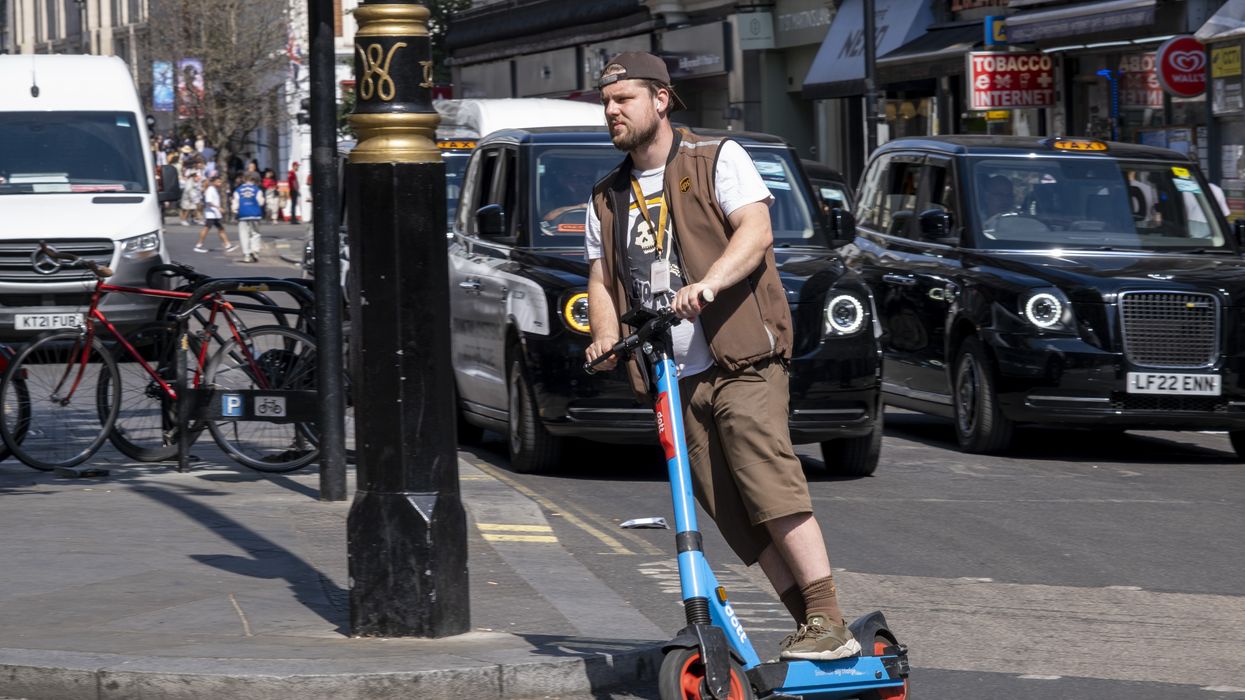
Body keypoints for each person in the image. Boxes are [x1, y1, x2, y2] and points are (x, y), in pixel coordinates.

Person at [582, 52, 860, 661]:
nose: (611, 111)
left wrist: (708, 284)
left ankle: (830, 618)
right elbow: (602, 279)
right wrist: (603, 338)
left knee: (767, 480)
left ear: (660, 99)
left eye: (623, 98)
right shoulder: (607, 196)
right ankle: (810, 626)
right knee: (729, 512)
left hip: (741, 358)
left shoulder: (716, 160)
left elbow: (755, 232)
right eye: (605, 102)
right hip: (672, 374)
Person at [194, 176, 237, 254]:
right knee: (206, 229)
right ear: (213, 182)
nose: (219, 183)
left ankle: (228, 245)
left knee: (221, 229)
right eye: (218, 182)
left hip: (214, 214)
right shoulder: (210, 190)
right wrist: (218, 208)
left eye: (220, 182)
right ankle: (198, 245)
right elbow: (209, 201)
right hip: (211, 214)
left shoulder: (214, 189)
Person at [233, 172, 266, 263]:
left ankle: (246, 255)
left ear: (244, 179)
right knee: (255, 233)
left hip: (243, 215)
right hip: (255, 214)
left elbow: (235, 204)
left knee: (244, 235)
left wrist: (236, 211)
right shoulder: (257, 190)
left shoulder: (238, 190)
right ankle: (255, 251)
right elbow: (261, 202)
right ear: (254, 180)